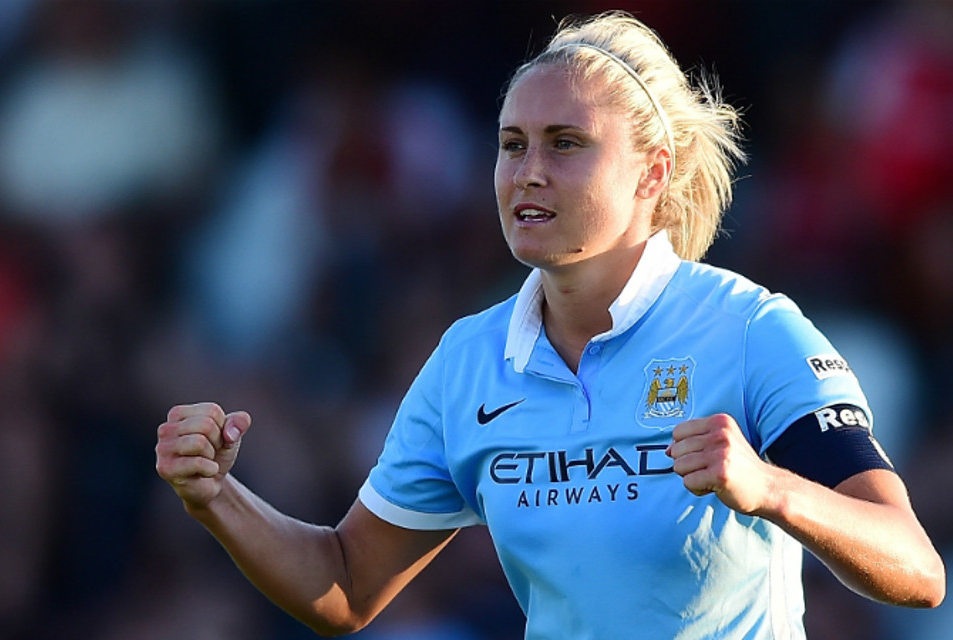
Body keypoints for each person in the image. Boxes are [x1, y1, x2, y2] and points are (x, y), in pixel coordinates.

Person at [155, 11, 945, 639]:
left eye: (566, 144)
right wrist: (217, 497)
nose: (529, 170)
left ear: (653, 171)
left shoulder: (751, 330)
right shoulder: (469, 360)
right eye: (512, 145)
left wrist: (771, 488)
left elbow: (916, 568)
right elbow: (346, 586)